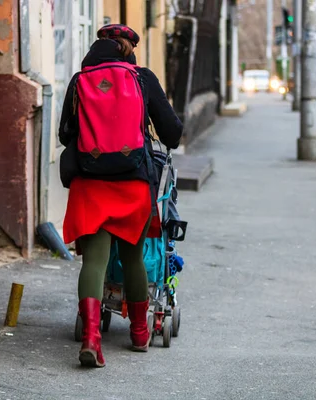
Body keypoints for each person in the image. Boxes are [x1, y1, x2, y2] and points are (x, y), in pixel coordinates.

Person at [58, 24, 183, 368]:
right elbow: (172, 134)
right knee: (133, 259)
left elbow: (64, 133)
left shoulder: (79, 80)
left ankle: (92, 339)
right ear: (130, 48)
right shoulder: (142, 78)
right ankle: (140, 333)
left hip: (89, 186)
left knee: (94, 262)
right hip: (132, 187)